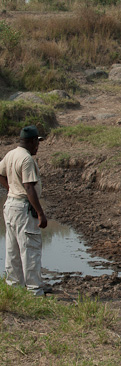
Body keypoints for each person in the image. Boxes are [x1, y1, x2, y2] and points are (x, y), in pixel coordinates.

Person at [0, 125, 48, 296]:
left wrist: (11, 188)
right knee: (30, 249)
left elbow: (1, 173)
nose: (38, 146)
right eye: (37, 142)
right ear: (32, 141)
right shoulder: (26, 159)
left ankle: (14, 288)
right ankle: (34, 290)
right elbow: (29, 188)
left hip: (11, 205)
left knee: (12, 249)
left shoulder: (11, 154)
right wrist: (41, 213)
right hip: (23, 208)